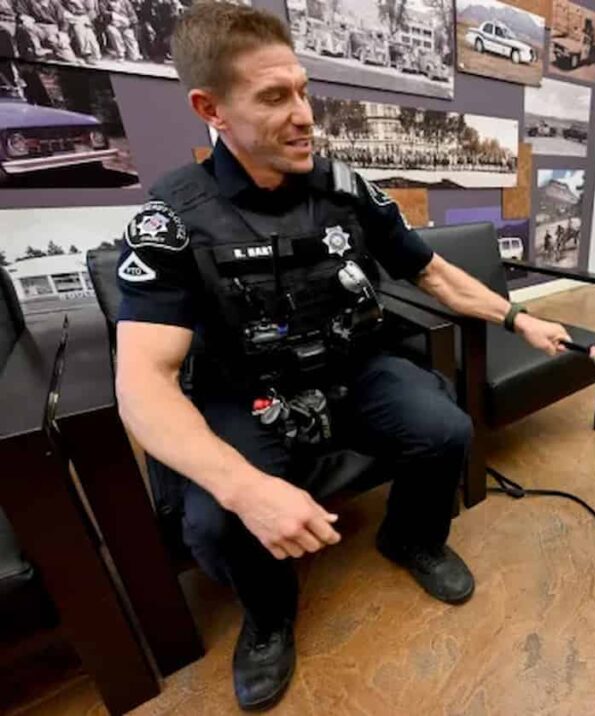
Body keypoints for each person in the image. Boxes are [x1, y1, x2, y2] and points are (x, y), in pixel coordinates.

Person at [113, 3, 571, 711]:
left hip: (352, 369)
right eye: (273, 97)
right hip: (247, 391)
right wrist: (243, 487)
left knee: (444, 429)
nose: (303, 115)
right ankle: (268, 620)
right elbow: (143, 380)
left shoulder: (347, 189)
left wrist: (519, 316)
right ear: (211, 108)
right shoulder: (170, 220)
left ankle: (411, 539)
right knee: (217, 519)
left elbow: (431, 275)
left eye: (302, 90)